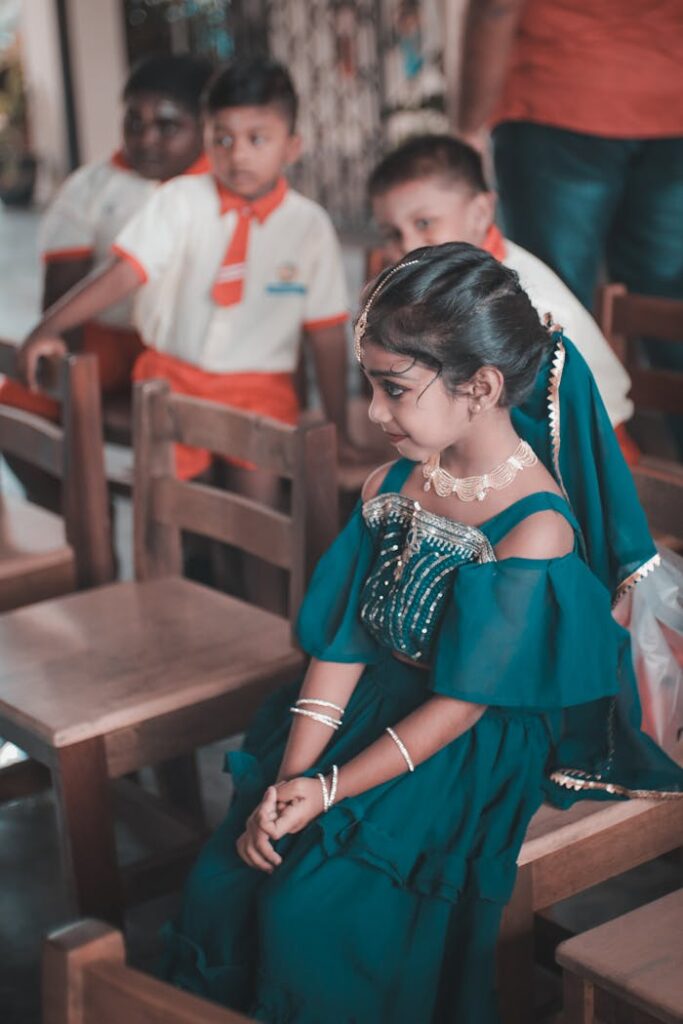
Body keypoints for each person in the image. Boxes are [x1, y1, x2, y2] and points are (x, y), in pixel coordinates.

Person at [158, 244, 683, 1023]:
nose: (373, 412)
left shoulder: (532, 529)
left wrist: (328, 789)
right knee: (231, 875)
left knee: (313, 913)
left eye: (393, 389)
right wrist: (291, 780)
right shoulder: (392, 483)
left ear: (481, 388)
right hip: (376, 697)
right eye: (369, 384)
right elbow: (343, 645)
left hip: (461, 739)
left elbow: (462, 704)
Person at [19, 56, 361, 483]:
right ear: (206, 138)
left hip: (261, 389)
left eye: (257, 139)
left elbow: (326, 333)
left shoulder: (309, 226)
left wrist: (338, 426)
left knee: (260, 508)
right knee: (170, 505)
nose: (238, 154)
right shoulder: (178, 199)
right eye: (222, 139)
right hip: (171, 381)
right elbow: (124, 273)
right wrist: (48, 326)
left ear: (292, 146)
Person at [456, 0, 683, 452]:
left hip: (558, 101)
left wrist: (467, 126)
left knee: (547, 308)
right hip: (670, 106)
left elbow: (497, 8)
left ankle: (562, 477)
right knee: (668, 309)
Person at [367, 133, 637, 459]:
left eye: (424, 223)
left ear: (481, 212)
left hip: (584, 454)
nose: (408, 245)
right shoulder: (457, 281)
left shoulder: (522, 303)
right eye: (392, 233)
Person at [1, 53, 213, 424]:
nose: (146, 138)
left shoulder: (220, 186)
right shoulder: (89, 188)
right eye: (134, 121)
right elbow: (60, 292)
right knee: (18, 402)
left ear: (204, 126)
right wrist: (78, 387)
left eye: (167, 126)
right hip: (106, 345)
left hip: (195, 352)